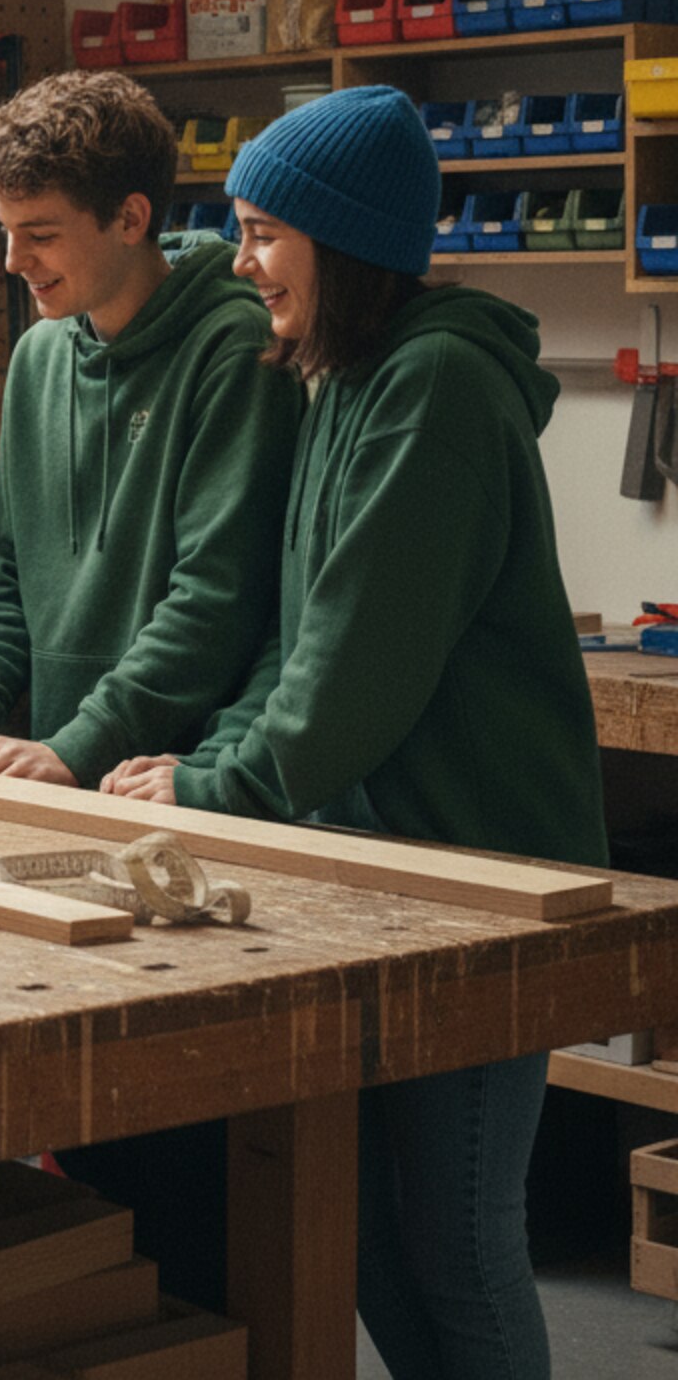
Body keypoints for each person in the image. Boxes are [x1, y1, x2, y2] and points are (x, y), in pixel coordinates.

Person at [103, 83, 606, 1380]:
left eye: (267, 231)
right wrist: (204, 759)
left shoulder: (437, 388)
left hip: (488, 878)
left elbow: (360, 674)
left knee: (459, 1237)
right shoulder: (343, 375)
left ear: (346, 241)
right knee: (365, 1233)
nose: (241, 258)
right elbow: (298, 633)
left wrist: (219, 786)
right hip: (388, 864)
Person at [0, 69, 300, 787]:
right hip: (62, 766)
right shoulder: (40, 355)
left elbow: (214, 597)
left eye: (40, 235)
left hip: (177, 771)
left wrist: (83, 742)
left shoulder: (234, 346)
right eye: (8, 234)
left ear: (131, 219)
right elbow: (5, 575)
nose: (14, 263)